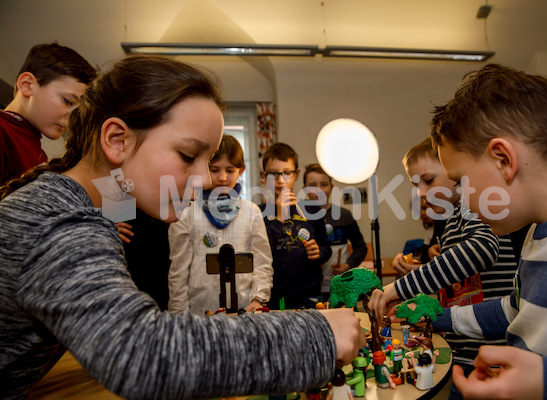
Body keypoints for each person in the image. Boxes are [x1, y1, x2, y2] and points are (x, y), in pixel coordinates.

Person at [0, 55, 365, 400]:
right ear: (116, 139)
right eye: (189, 156)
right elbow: (140, 354)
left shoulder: (84, 202)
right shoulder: (60, 222)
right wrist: (317, 335)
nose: (206, 179)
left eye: (208, 162)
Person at [429, 64, 547, 399]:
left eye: (461, 180)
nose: (459, 196)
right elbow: (515, 310)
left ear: (503, 159)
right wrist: (436, 317)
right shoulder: (535, 234)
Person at [370, 136, 519, 398]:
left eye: (428, 180)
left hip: (492, 353)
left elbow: (481, 250)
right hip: (463, 351)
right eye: (416, 185)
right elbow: (457, 280)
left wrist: (399, 288)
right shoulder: (450, 221)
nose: (422, 193)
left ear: (454, 172)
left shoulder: (474, 206)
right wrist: (419, 279)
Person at [168, 134, 273, 313]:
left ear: (241, 171)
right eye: (214, 170)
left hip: (245, 310)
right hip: (200, 311)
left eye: (230, 170)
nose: (222, 178)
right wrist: (179, 316)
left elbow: (262, 262)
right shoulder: (185, 212)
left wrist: (258, 299)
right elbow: (178, 270)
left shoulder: (252, 211)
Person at [0, 42, 96, 186]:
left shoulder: (38, 152)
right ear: (27, 85)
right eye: (68, 101)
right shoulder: (3, 132)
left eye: (79, 110)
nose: (73, 117)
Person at [260, 143, 332, 309]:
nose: (280, 180)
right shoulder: (258, 212)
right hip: (273, 298)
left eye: (286, 173)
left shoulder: (312, 209)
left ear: (296, 174)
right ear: (264, 176)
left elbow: (326, 249)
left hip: (309, 296)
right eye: (273, 174)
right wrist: (279, 216)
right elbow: (261, 254)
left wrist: (318, 252)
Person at [303, 163, 368, 300]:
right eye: (313, 185)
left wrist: (348, 265)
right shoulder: (298, 219)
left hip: (341, 285)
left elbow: (361, 247)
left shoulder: (344, 215)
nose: (319, 190)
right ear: (304, 190)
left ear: (332, 188)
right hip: (310, 289)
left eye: (324, 184)